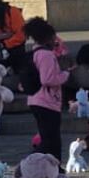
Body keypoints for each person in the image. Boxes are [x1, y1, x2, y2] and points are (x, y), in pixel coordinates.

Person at [24, 15, 67, 159]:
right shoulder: (46, 55)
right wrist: (64, 75)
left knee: (48, 138)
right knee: (51, 141)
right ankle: (34, 164)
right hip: (47, 101)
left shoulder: (34, 52)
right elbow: (48, 79)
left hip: (36, 99)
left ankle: (47, 165)